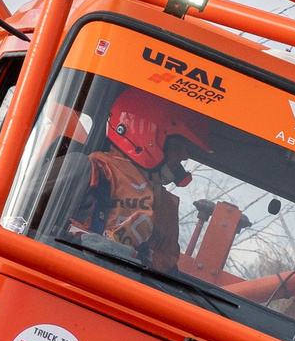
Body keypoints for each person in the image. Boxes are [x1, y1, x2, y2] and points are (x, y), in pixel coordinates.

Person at [65, 88, 211, 270]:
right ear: (146, 135)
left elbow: (168, 282)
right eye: (178, 145)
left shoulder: (164, 210)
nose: (184, 156)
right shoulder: (84, 171)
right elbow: (22, 227)